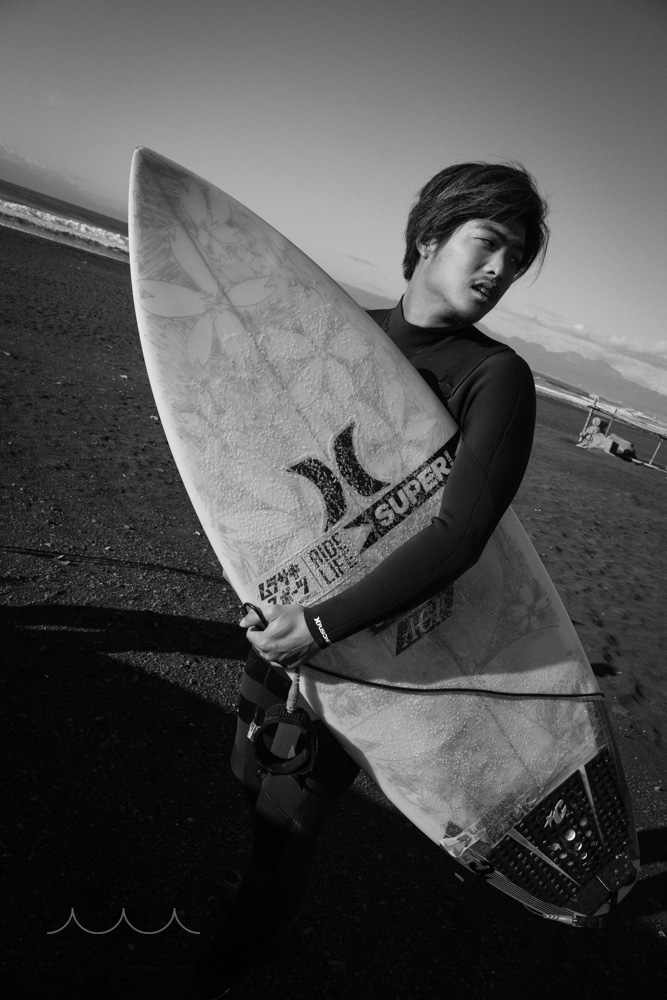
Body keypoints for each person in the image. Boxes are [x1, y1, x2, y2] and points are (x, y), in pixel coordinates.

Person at [116, 161, 549, 999]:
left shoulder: (495, 378)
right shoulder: (342, 336)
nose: (500, 270)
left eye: (516, 259)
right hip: (292, 614)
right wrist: (266, 585)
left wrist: (322, 625)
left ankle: (220, 971)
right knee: (249, 774)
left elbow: (459, 536)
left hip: (380, 641)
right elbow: (259, 470)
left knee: (288, 814)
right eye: (488, 243)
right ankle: (256, 901)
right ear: (430, 236)